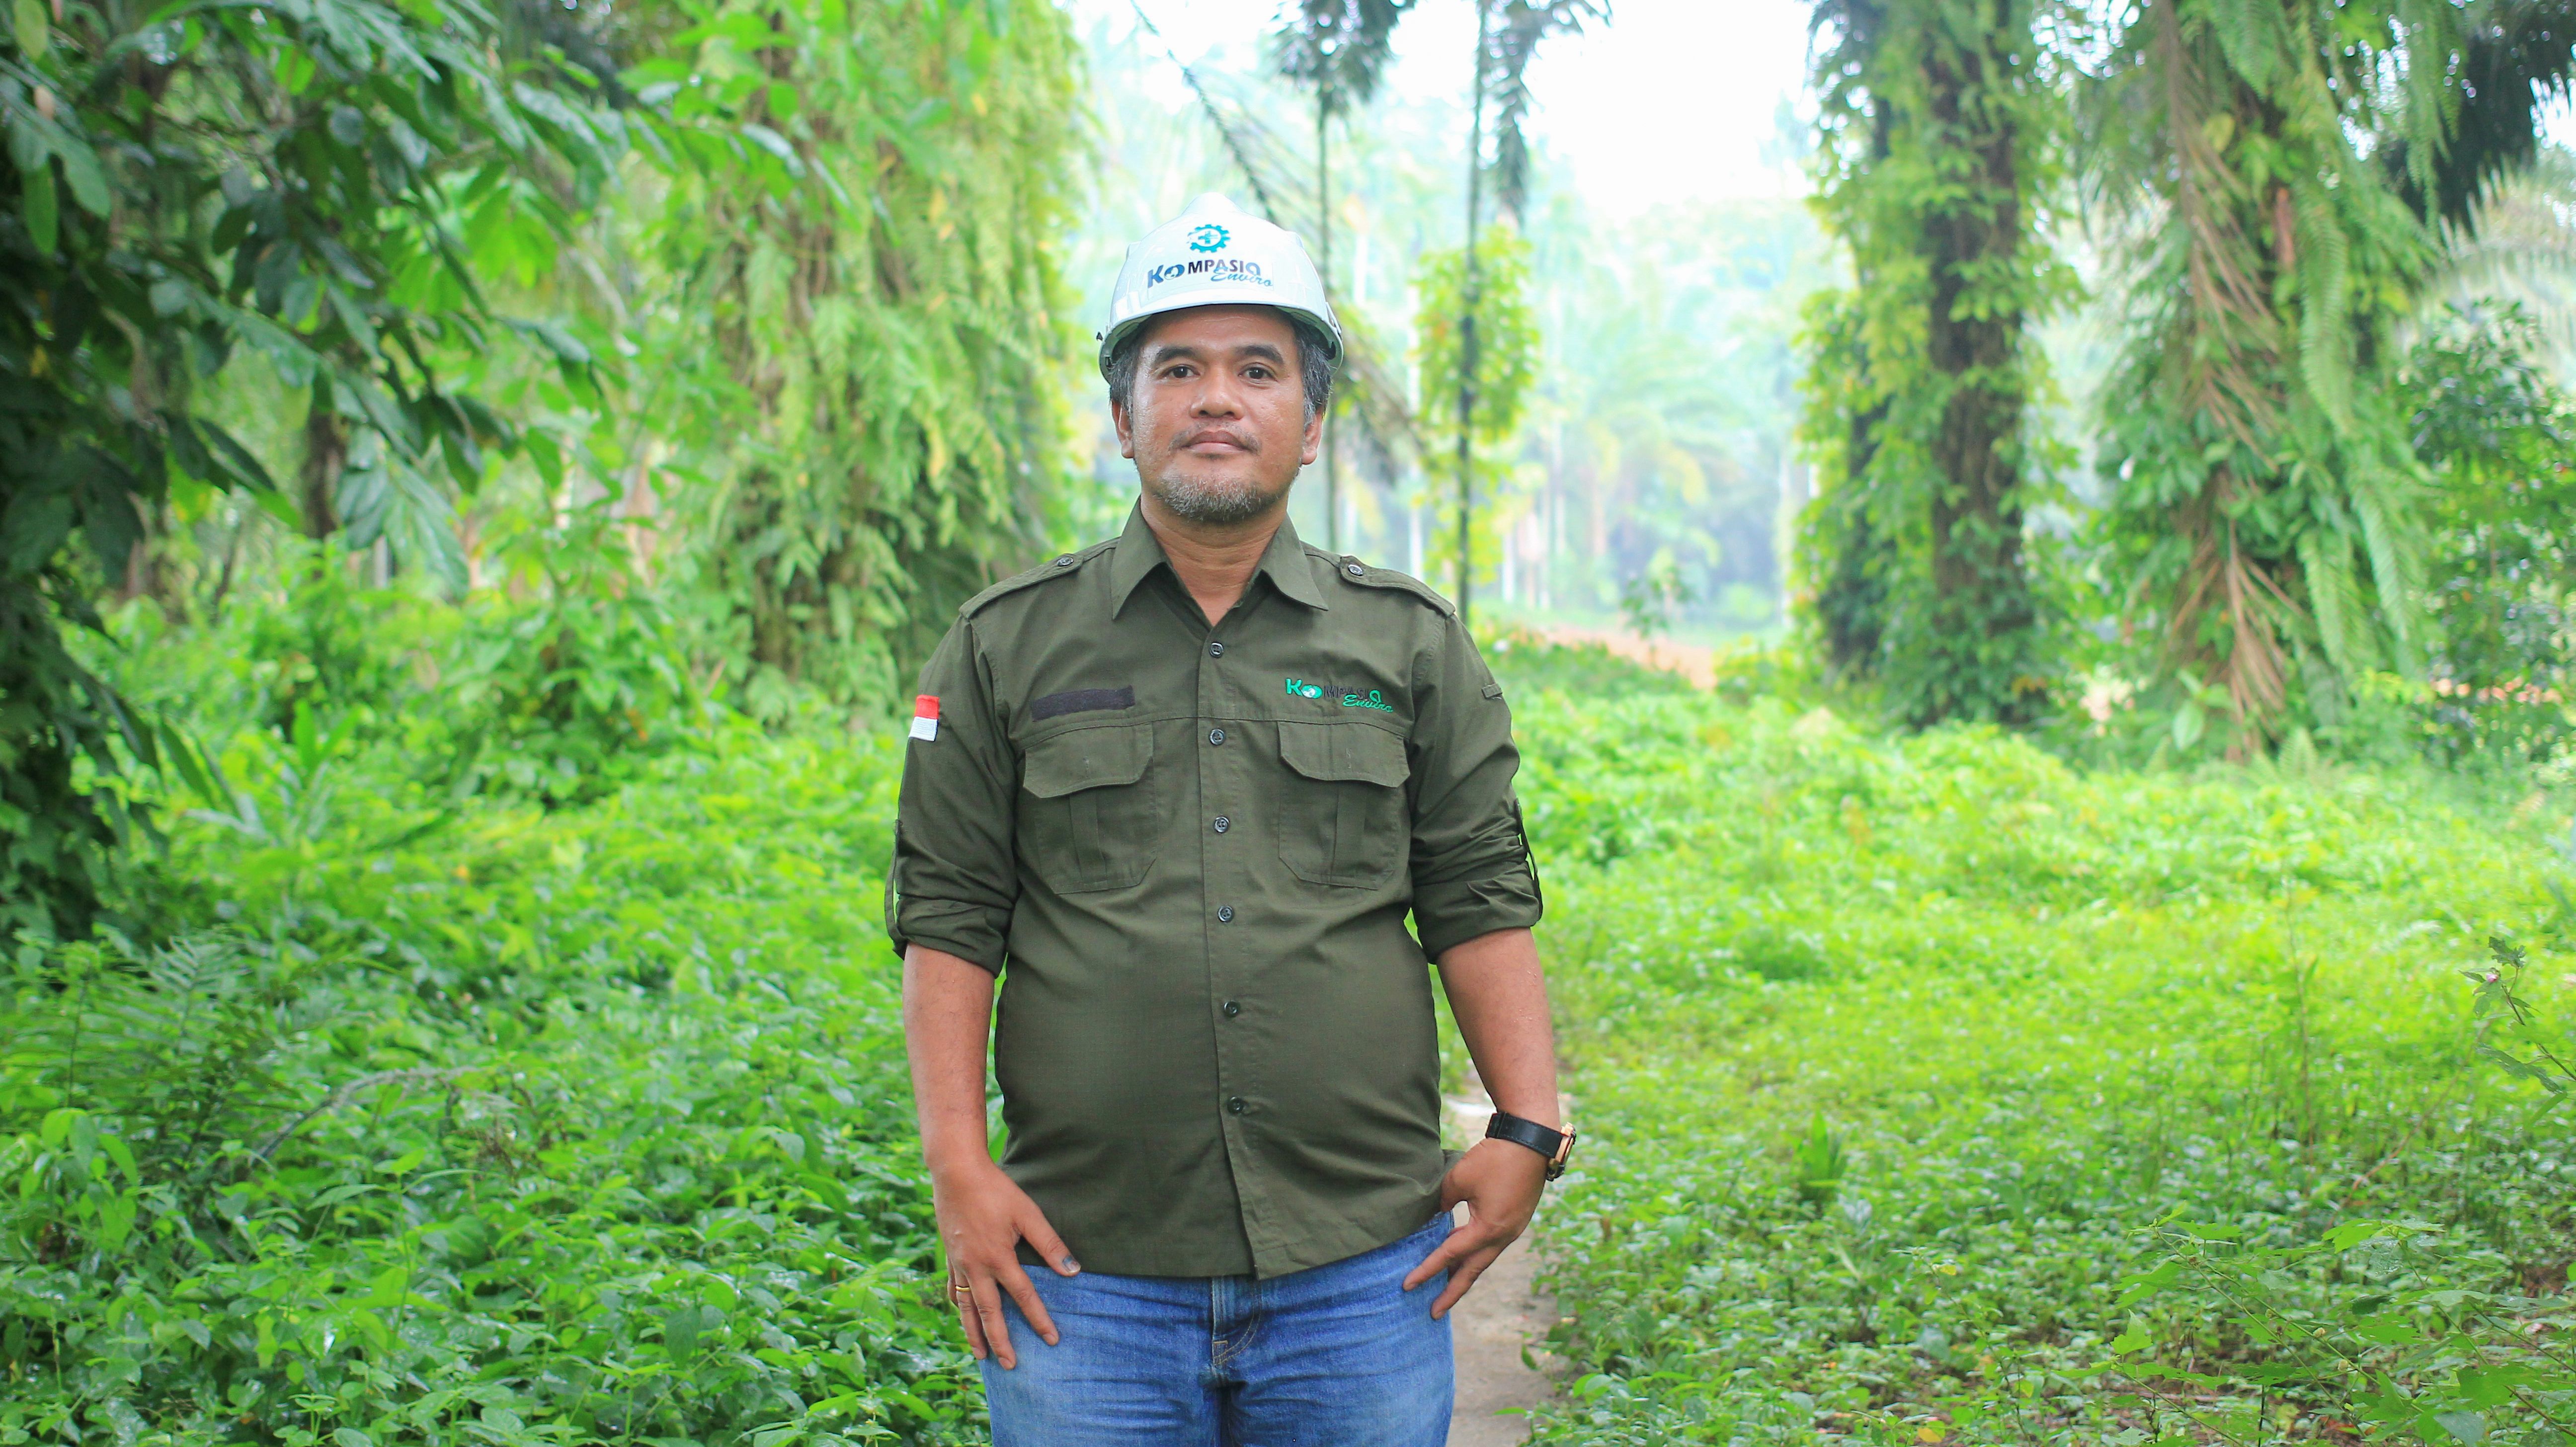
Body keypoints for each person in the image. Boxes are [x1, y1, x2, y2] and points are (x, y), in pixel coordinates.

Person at [886, 192, 1574, 1447]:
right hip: (1080, 1275)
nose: (1217, 399)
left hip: (1361, 1269)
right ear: (1123, 417)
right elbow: (950, 917)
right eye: (1178, 369)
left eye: (1258, 370)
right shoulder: (1002, 646)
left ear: (1310, 424)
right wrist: (958, 1173)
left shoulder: (1409, 645)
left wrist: (1528, 1126)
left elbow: (1477, 892)